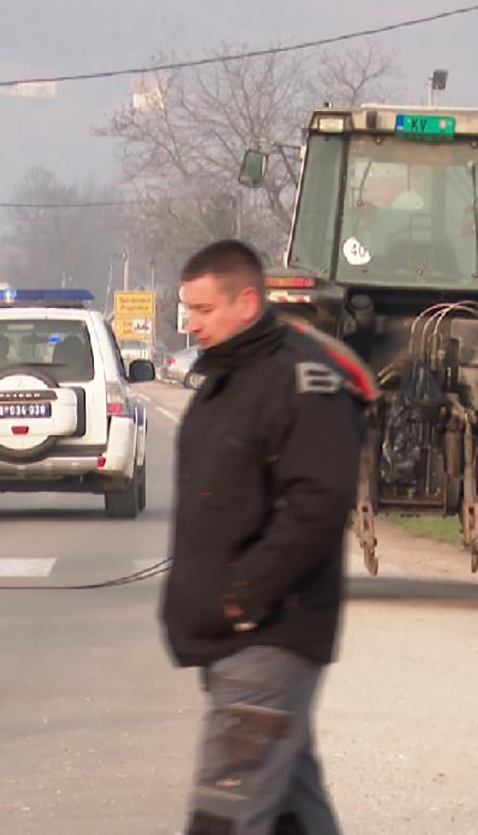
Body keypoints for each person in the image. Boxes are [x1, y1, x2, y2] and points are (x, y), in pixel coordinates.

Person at [164, 240, 372, 835]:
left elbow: (317, 504)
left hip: (271, 634)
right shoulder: (225, 379)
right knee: (291, 812)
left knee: (226, 814)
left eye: (203, 310)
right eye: (188, 310)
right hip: (231, 638)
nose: (192, 324)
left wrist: (244, 595)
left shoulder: (304, 380)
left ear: (247, 302)